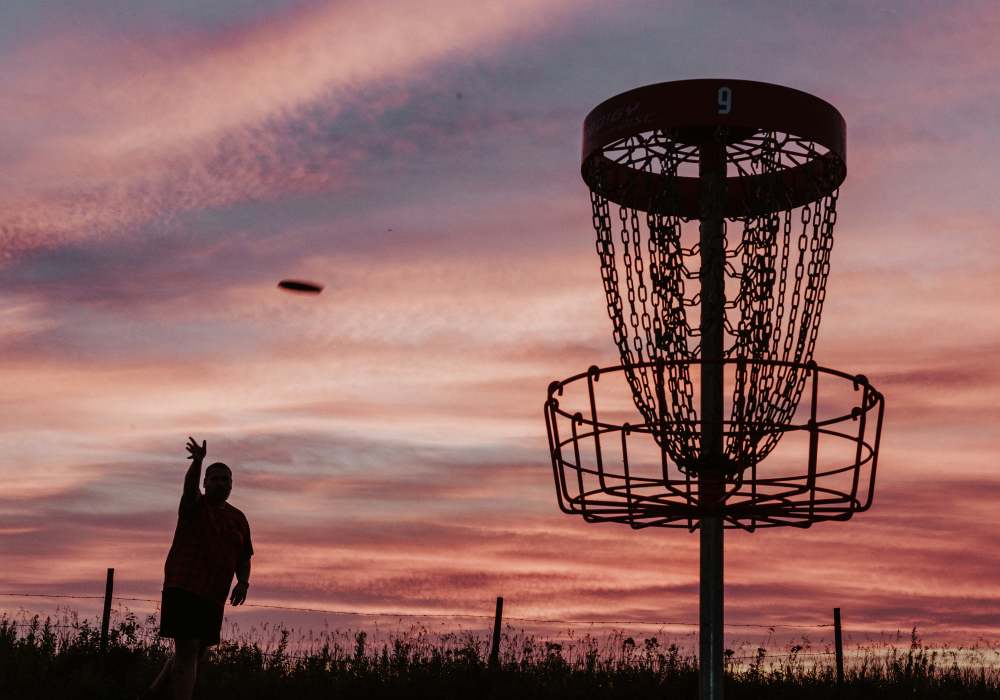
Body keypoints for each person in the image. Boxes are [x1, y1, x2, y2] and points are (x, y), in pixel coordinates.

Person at [140, 437, 254, 700]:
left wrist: (243, 582)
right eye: (214, 478)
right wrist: (198, 463)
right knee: (189, 649)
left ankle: (152, 694)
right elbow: (189, 487)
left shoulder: (238, 518)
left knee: (195, 652)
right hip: (184, 586)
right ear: (205, 483)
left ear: (232, 485)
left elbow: (244, 556)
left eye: (225, 479)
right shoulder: (195, 505)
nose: (220, 483)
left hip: (214, 594)